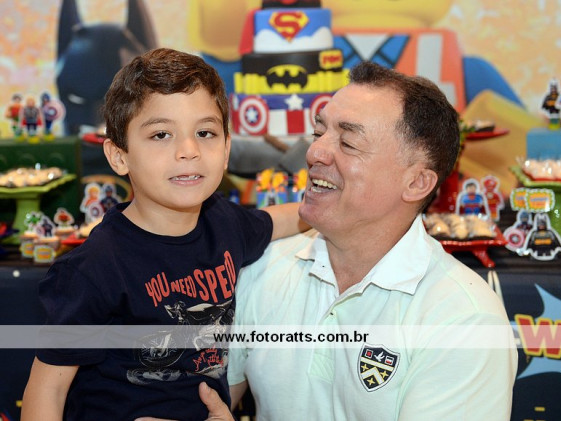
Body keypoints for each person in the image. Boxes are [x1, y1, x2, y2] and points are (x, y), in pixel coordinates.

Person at [150, 61, 516, 421]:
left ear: (417, 182)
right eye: (319, 133)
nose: (314, 153)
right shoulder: (264, 267)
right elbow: (210, 402)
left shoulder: (463, 320)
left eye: (349, 142)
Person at [21, 47, 308, 421]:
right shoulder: (94, 269)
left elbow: (281, 219)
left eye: (205, 132)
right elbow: (47, 390)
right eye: (161, 134)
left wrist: (335, 207)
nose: (188, 150)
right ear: (119, 156)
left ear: (226, 149)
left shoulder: (225, 222)